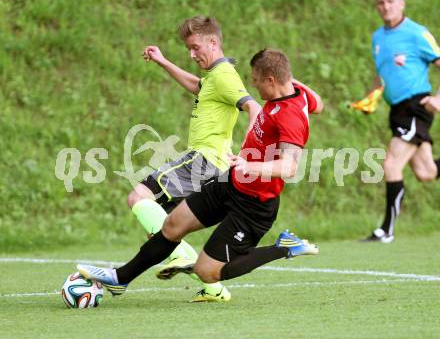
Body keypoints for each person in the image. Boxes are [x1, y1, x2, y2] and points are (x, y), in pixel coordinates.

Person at [77, 48, 323, 301]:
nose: (254, 86)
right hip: (230, 182)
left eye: (257, 81)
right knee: (172, 226)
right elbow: (319, 104)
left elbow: (289, 167)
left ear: (271, 80)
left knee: (207, 272)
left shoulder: (290, 116)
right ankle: (120, 279)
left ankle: (282, 248)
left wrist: (251, 167)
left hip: (254, 205)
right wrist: (292, 81)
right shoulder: (296, 93)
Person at [127, 16, 261, 301]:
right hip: (212, 163)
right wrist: (163, 62)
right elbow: (196, 86)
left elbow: (254, 108)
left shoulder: (224, 76)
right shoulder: (215, 76)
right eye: (188, 48)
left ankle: (183, 256)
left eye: (195, 47)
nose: (191, 54)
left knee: (139, 197)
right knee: (163, 228)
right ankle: (214, 289)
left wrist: (248, 154)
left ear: (213, 42)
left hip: (204, 159)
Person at [362, 0, 440, 243]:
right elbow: (381, 74)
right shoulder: (377, 37)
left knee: (391, 165)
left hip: (417, 107)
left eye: (391, 1)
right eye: (381, 2)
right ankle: (387, 230)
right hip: (397, 110)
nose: (386, 6)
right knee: (426, 172)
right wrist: (371, 97)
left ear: (402, 4)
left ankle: (386, 230)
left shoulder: (417, 33)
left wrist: (437, 99)